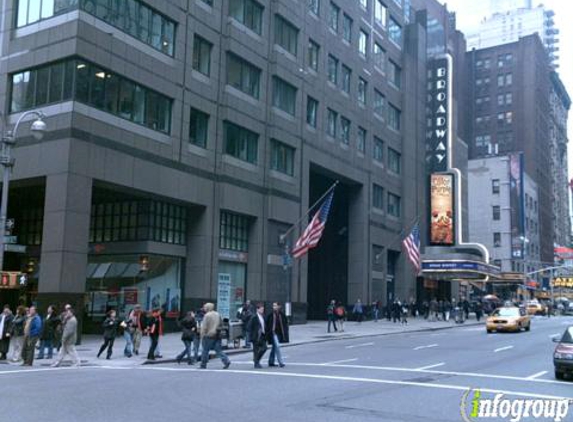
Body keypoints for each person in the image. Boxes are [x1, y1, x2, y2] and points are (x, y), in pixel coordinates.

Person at [199, 303, 230, 369]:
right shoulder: (217, 314)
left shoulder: (207, 316)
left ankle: (203, 364)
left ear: (208, 308)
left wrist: (202, 335)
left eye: (205, 307)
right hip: (217, 335)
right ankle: (226, 361)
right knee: (218, 350)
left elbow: (204, 327)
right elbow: (221, 324)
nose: (204, 309)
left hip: (208, 335)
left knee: (205, 350)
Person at [266, 302, 288, 368]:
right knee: (277, 346)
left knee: (274, 347)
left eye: (275, 305)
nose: (274, 307)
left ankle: (271, 361)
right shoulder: (271, 315)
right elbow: (267, 324)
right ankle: (281, 362)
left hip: (279, 333)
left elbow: (285, 324)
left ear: (279, 306)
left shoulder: (281, 315)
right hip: (273, 333)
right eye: (273, 306)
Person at [248, 303, 267, 368]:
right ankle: (256, 363)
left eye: (263, 309)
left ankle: (256, 360)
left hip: (262, 335)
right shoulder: (254, 317)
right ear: (257, 309)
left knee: (264, 348)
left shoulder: (263, 316)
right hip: (255, 336)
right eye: (261, 309)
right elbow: (249, 327)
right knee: (256, 350)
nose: (262, 310)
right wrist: (251, 336)